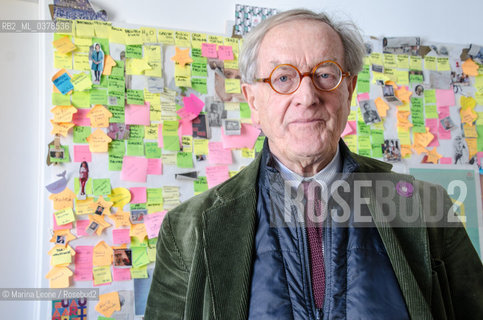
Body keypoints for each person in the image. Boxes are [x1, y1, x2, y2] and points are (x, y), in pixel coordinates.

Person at [145, 9, 483, 320]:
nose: (307, 96)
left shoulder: (427, 209)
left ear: (348, 91)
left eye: (325, 74)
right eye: (283, 78)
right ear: (253, 100)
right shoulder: (188, 230)